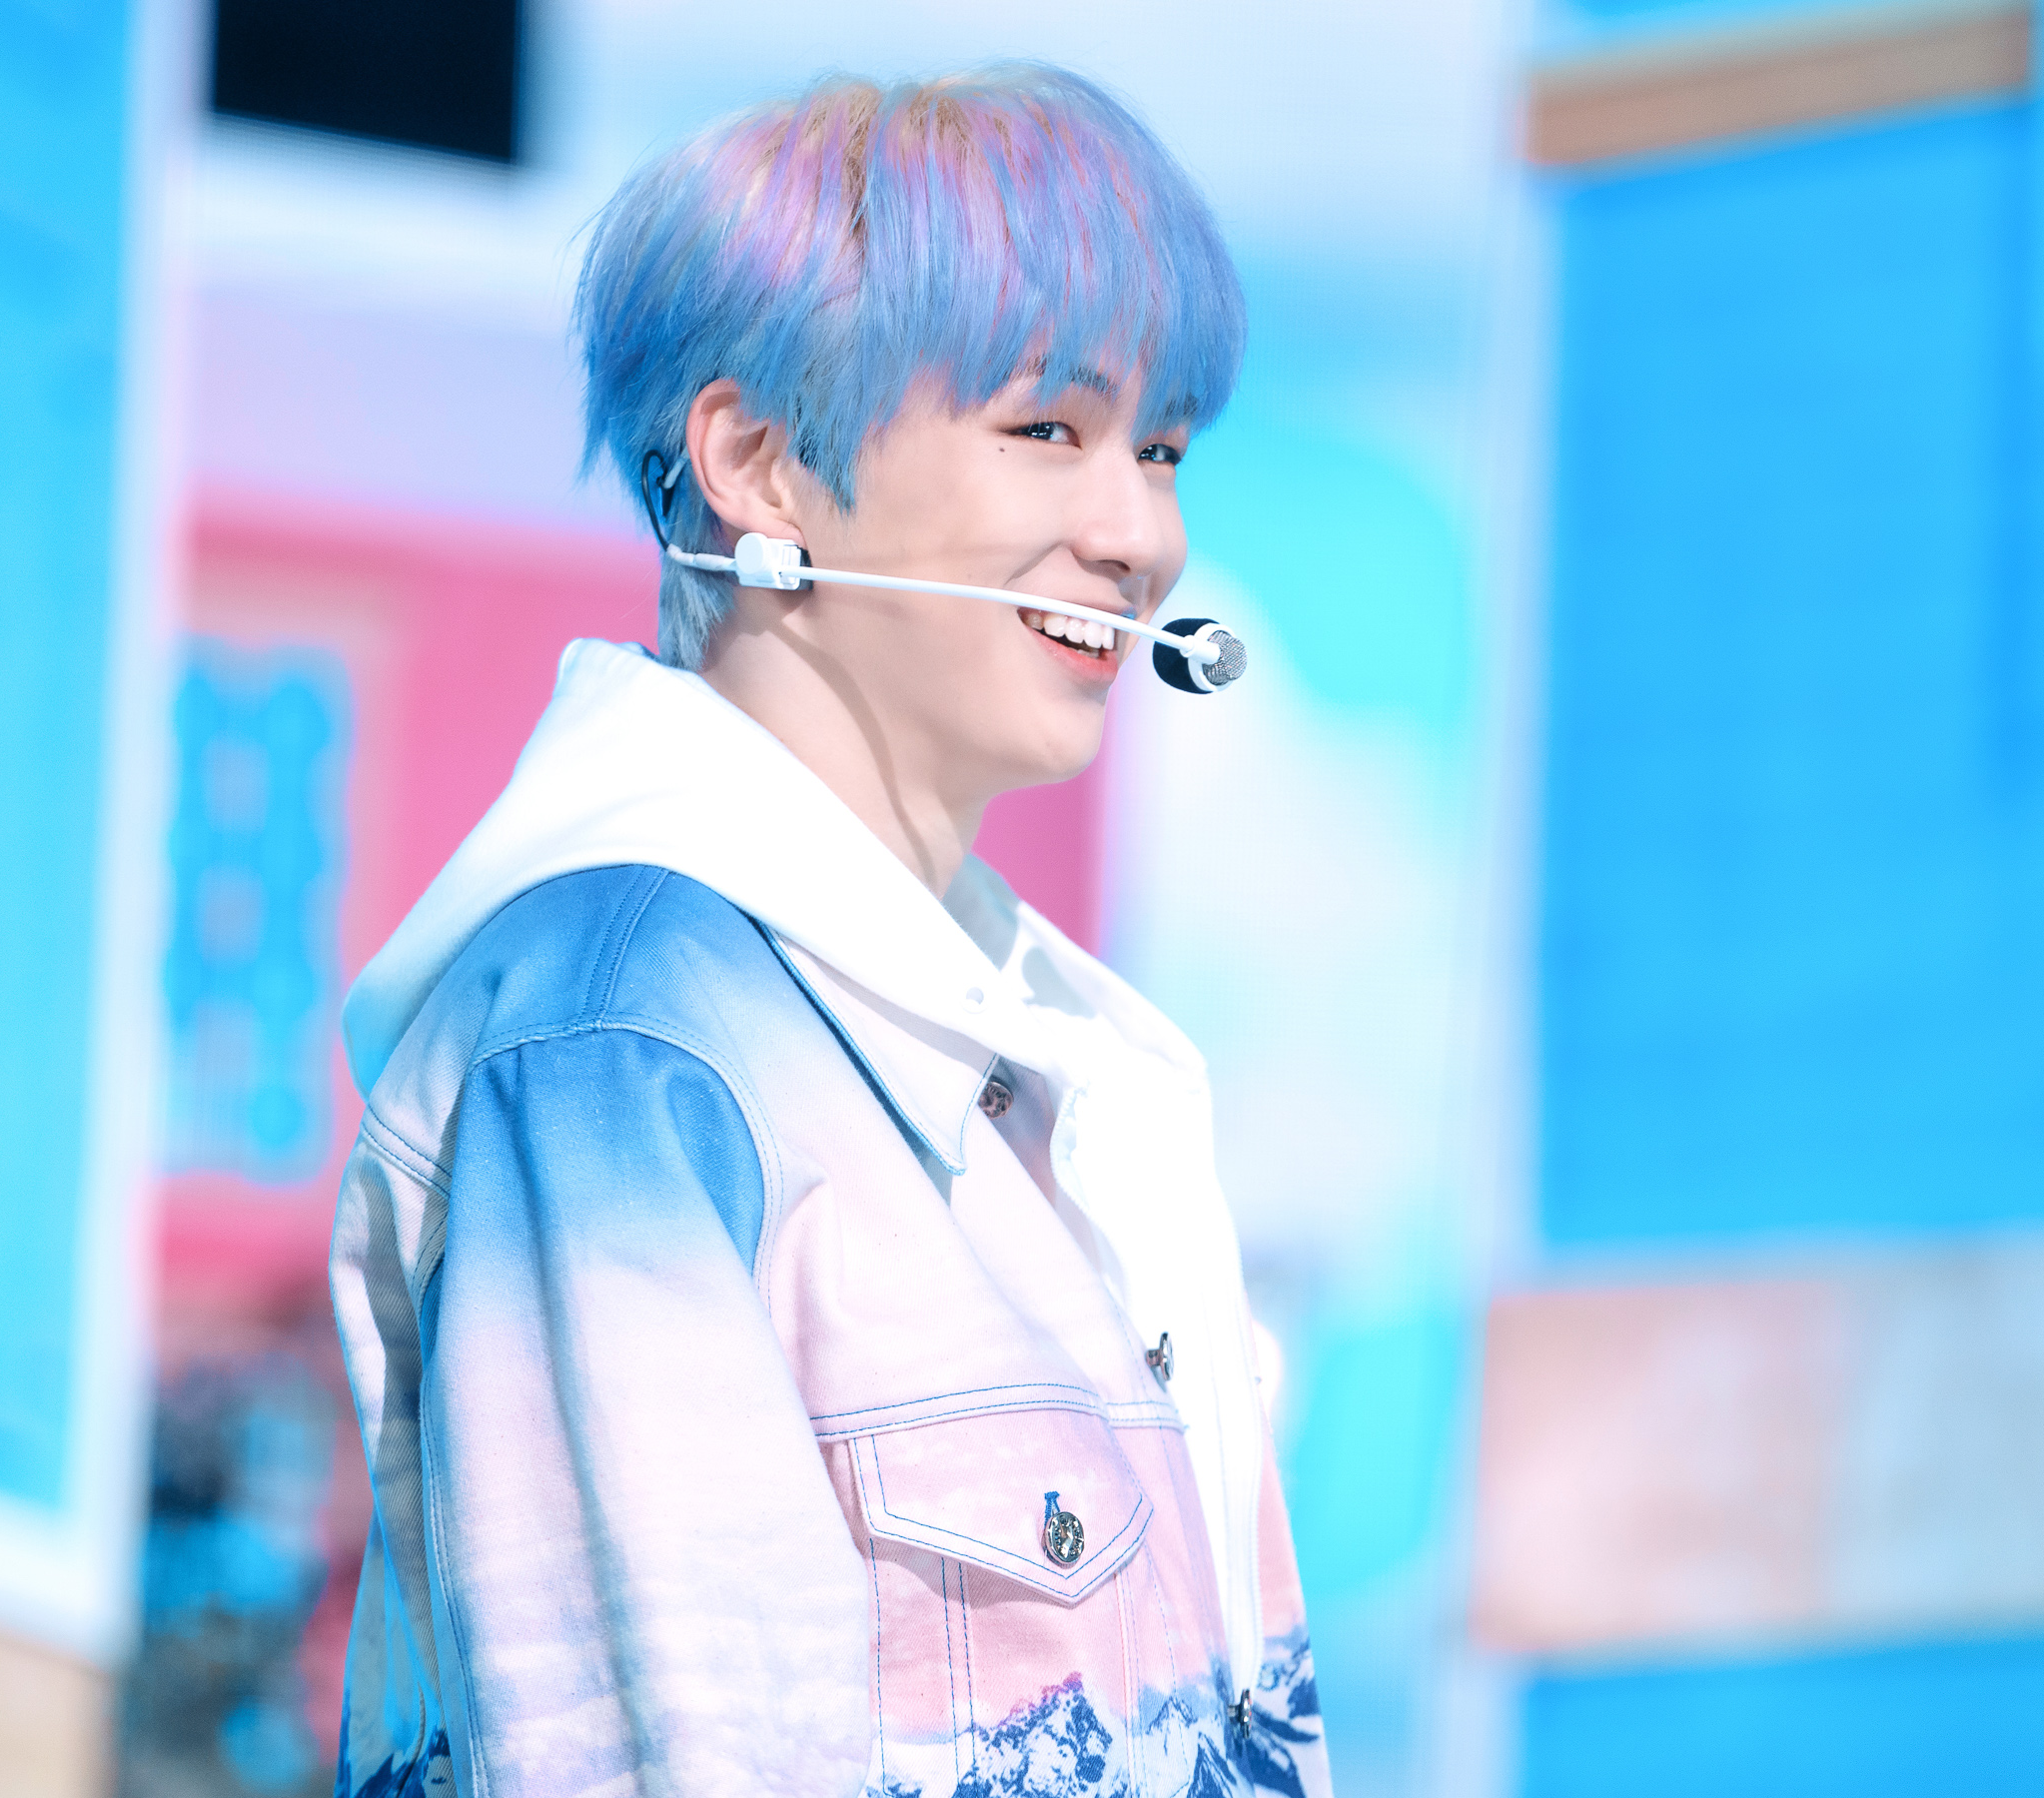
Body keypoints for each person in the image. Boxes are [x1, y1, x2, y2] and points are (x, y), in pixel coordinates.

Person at [329, 64, 1330, 1798]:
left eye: (1162, 451)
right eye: (1049, 429)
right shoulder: (627, 1040)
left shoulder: (1078, 1080)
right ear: (760, 465)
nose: (1141, 536)